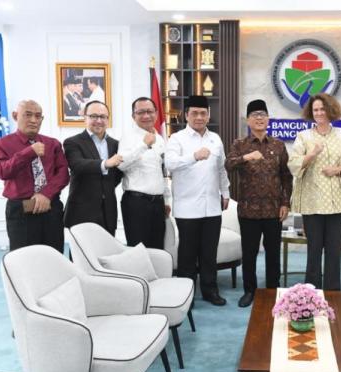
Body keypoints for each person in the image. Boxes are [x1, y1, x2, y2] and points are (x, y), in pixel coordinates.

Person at [225, 99, 293, 307]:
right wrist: (246, 157)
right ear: (248, 120)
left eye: (263, 114)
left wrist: (285, 203)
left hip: (274, 210)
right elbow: (228, 165)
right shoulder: (240, 144)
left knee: (273, 254)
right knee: (250, 253)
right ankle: (249, 291)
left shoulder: (278, 145)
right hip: (248, 211)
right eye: (255, 115)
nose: (259, 118)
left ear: (268, 119)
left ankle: (273, 290)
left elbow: (286, 176)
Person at [166, 95, 231, 306]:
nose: (199, 117)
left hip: (212, 206)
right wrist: (193, 156)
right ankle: (187, 295)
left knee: (209, 253)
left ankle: (210, 290)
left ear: (208, 115)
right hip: (187, 207)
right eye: (194, 113)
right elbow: (170, 164)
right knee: (187, 254)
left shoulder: (216, 139)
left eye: (203, 113)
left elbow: (221, 169)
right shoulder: (177, 139)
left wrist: (225, 192)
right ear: (186, 115)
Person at [288, 93, 341, 291]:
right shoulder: (303, 136)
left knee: (334, 251)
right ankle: (312, 293)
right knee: (314, 251)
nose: (319, 113)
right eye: (315, 110)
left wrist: (338, 170)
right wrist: (312, 154)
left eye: (322, 109)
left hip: (337, 202)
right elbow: (293, 164)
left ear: (330, 110)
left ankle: (333, 293)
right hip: (312, 202)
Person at [0, 100, 69, 253]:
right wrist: (28, 153)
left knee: (54, 256)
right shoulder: (1, 144)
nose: (33, 120)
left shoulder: (53, 144)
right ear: (15, 116)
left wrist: (45, 194)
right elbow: (1, 171)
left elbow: (63, 174)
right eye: (28, 115)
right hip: (20, 210)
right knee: (24, 258)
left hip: (51, 206)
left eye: (38, 116)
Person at [117, 97, 171, 249]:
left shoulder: (159, 138)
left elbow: (162, 171)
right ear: (133, 116)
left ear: (156, 113)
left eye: (149, 111)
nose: (146, 116)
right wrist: (143, 145)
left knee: (158, 249)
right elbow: (121, 165)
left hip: (158, 203)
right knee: (139, 250)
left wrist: (166, 200)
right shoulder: (128, 137)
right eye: (140, 112)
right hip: (137, 203)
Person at [63, 100, 122, 235]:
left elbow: (117, 175)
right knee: (82, 249)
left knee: (108, 248)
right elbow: (77, 165)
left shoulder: (115, 144)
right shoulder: (72, 142)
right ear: (85, 118)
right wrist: (105, 163)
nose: (99, 121)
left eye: (103, 117)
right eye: (94, 116)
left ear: (108, 119)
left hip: (108, 212)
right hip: (81, 212)